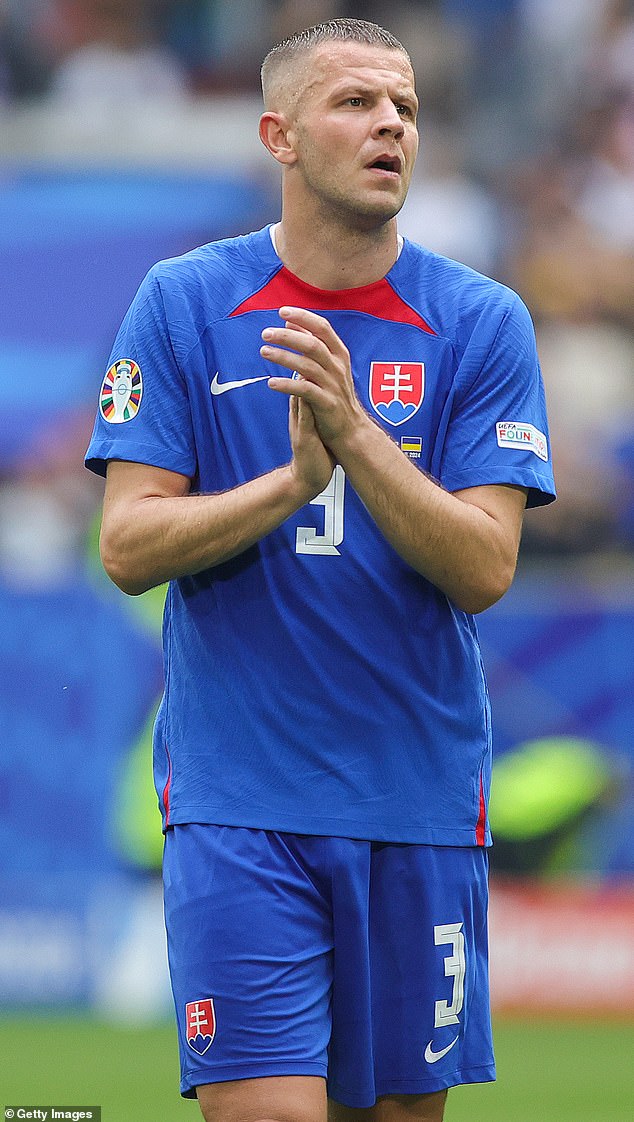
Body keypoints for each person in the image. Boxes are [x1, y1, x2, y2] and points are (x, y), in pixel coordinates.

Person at [85, 17, 555, 1122]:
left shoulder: (480, 322)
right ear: (278, 136)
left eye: (405, 107)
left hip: (419, 800)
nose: (390, 122)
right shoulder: (187, 302)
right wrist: (285, 488)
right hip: (240, 802)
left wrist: (352, 432)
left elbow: (486, 567)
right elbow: (124, 545)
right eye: (355, 102)